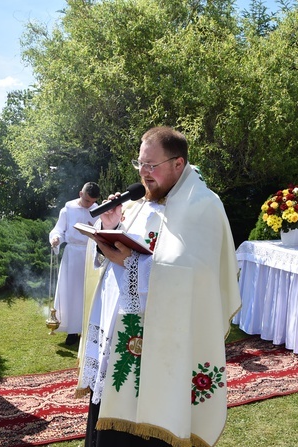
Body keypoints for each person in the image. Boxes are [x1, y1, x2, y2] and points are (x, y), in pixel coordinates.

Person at [76, 126, 241, 447]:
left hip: (166, 342)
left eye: (151, 166)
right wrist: (110, 226)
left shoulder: (203, 205)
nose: (143, 173)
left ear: (178, 164)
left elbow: (198, 275)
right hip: (121, 336)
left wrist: (131, 263)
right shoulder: (138, 203)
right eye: (139, 164)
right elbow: (117, 254)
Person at [49, 182, 100, 346]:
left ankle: (88, 330)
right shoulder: (68, 210)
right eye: (87, 201)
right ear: (80, 194)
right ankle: (72, 331)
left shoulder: (97, 210)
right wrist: (55, 239)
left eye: (92, 202)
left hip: (91, 254)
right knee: (72, 293)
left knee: (90, 293)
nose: (89, 205)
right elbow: (58, 230)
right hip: (73, 255)